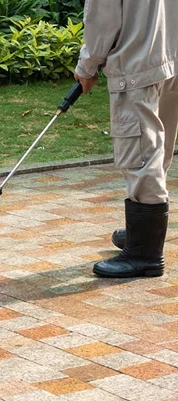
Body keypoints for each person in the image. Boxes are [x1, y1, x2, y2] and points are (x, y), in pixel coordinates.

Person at [74, 0, 178, 278]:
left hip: (138, 64)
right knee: (158, 148)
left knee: (142, 156)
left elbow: (102, 17)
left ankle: (145, 253)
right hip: (170, 57)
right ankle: (142, 234)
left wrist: (87, 65)